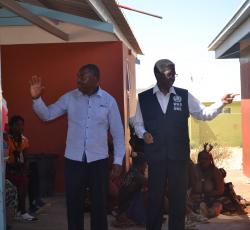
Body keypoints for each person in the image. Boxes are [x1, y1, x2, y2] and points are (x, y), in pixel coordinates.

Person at [133, 59, 237, 230]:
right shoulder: (144, 98)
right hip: (156, 157)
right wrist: (143, 134)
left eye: (174, 73)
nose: (173, 77)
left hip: (178, 158)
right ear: (157, 75)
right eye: (169, 74)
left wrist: (221, 103)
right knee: (155, 199)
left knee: (178, 200)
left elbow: (203, 113)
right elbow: (137, 123)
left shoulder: (183, 95)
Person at [30, 64, 125, 230]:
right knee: (74, 204)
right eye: (78, 76)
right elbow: (47, 115)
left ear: (96, 79)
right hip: (73, 161)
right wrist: (37, 99)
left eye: (83, 77)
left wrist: (118, 161)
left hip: (98, 161)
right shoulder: (69, 97)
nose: (78, 80)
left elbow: (118, 133)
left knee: (99, 205)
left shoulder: (108, 101)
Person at [5, 115, 37, 222]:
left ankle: (26, 208)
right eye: (17, 125)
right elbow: (4, 159)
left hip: (17, 169)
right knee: (22, 180)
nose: (20, 127)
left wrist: (25, 169)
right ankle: (22, 212)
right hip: (6, 169)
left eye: (22, 125)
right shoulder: (5, 139)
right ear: (10, 126)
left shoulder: (24, 140)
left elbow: (25, 157)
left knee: (29, 175)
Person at [190, 144, 224, 218]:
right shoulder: (194, 170)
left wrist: (206, 195)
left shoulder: (215, 172)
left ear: (210, 160)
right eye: (201, 159)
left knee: (217, 207)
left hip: (212, 199)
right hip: (196, 199)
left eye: (206, 159)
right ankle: (200, 210)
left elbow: (221, 190)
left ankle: (207, 212)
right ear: (198, 159)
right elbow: (189, 187)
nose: (203, 161)